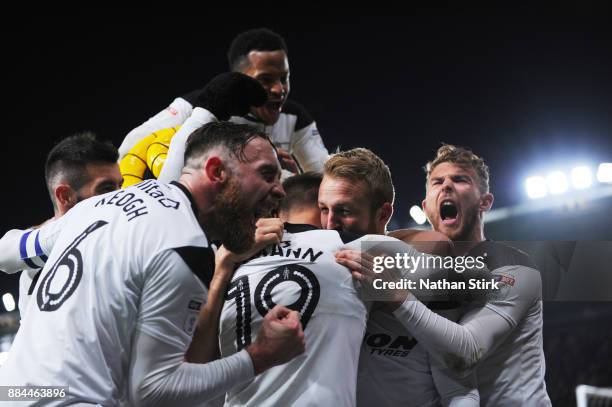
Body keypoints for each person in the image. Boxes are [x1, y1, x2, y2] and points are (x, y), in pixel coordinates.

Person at [0, 122, 305, 406]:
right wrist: (260, 356)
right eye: (267, 174)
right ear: (216, 171)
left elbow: (7, 254)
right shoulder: (183, 244)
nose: (280, 190)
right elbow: (151, 391)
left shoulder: (93, 207)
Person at [348, 145, 551, 406]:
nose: (446, 186)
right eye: (437, 182)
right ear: (426, 206)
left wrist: (397, 295)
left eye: (460, 179)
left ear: (485, 202)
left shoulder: (513, 267)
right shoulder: (417, 267)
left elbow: (467, 352)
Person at [321, 148, 479, 406]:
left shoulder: (425, 267)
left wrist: (391, 283)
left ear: (383, 214)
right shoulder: (321, 263)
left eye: (344, 211)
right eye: (323, 209)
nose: (328, 225)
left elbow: (459, 388)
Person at [118, 27, 329, 181]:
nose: (279, 89)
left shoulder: (294, 117)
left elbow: (323, 177)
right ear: (237, 77)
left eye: (284, 78)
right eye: (266, 79)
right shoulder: (197, 107)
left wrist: (292, 179)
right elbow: (128, 150)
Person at [0, 132, 122, 320]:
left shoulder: (121, 228)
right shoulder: (39, 240)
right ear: (65, 196)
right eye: (106, 189)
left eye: (119, 186)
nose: (119, 196)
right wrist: (79, 227)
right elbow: (3, 255)